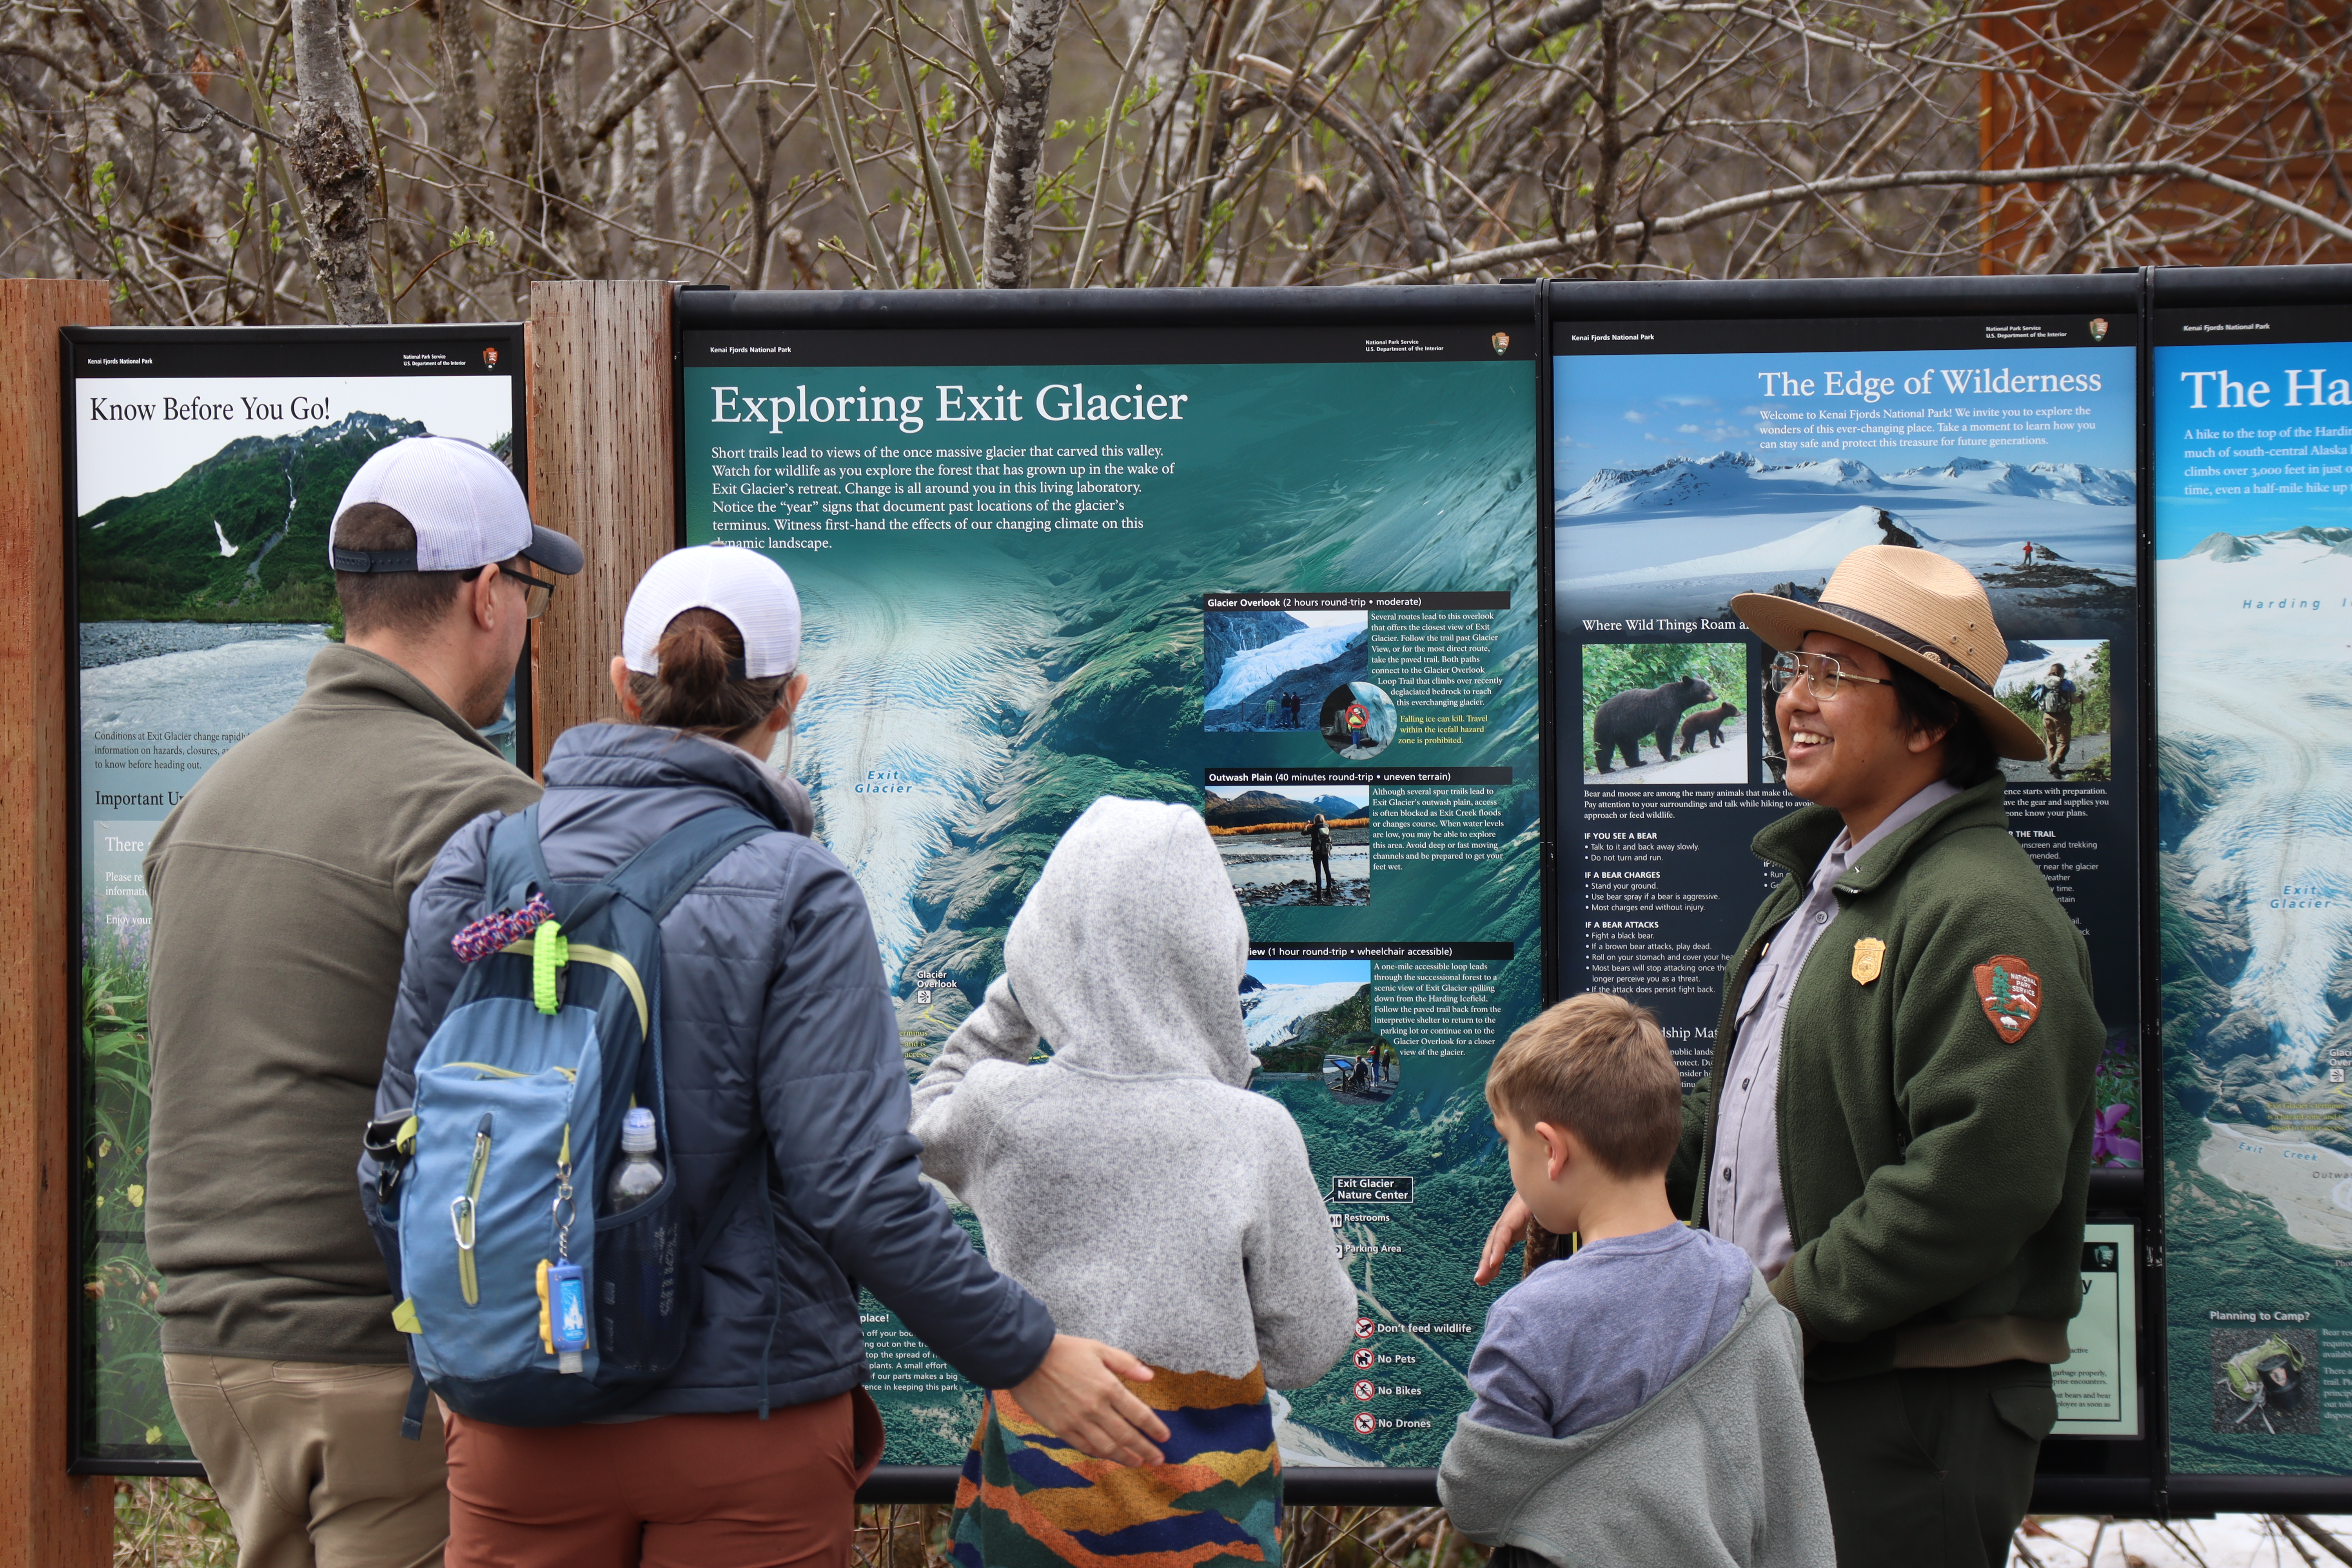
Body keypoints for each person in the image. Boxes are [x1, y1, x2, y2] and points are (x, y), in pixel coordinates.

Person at [378, 546, 1171, 1566]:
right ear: (790, 700)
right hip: (746, 1425)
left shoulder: (482, 864)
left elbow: (399, 1150)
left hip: (518, 1417)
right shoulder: (800, 889)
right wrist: (1026, 1353)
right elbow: (853, 1188)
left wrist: (457, 1348)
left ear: (624, 687)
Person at [1477, 546, 2103, 1568]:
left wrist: (1769, 1312)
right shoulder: (1822, 889)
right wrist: (1588, 1182)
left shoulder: (1984, 910)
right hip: (1793, 1387)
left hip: (1900, 1414)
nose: (1792, 703)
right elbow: (1742, 1120)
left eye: (1835, 678)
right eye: (1792, 672)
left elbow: (1983, 1178)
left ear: (1929, 721)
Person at [142, 436, 582, 1568]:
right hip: (369, 1361)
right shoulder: (482, 814)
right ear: (490, 594)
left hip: (208, 1352)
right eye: (531, 591)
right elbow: (537, 1101)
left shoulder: (211, 795)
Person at [908, 797, 1354, 1568]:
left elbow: (913, 1125)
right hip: (1210, 1537)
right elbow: (1311, 1343)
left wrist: (1016, 1000)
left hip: (1028, 1531)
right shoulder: (1254, 1132)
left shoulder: (998, 1109)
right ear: (1216, 952)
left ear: (1046, 946)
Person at [1439, 995, 1831, 1568]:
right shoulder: (1743, 1290)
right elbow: (1788, 1494)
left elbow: (1475, 1497)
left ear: (1551, 1150)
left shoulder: (1534, 1317)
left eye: (1509, 1144)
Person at [2029, 660, 2077, 777]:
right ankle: (2055, 763)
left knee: (2051, 741)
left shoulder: (2044, 684)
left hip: (2047, 716)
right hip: (2062, 717)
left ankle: (2053, 765)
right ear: (2061, 672)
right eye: (2064, 671)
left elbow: (2035, 698)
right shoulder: (2067, 684)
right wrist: (2081, 697)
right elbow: (2074, 701)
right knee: (2064, 742)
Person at [1305, 811, 1335, 892]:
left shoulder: (1314, 828)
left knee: (1318, 873)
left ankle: (1319, 893)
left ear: (1315, 821)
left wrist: (1307, 825)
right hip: (1326, 851)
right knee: (1327, 871)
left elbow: (1303, 833)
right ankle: (1329, 890)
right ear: (1323, 820)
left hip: (1317, 852)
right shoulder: (1327, 827)